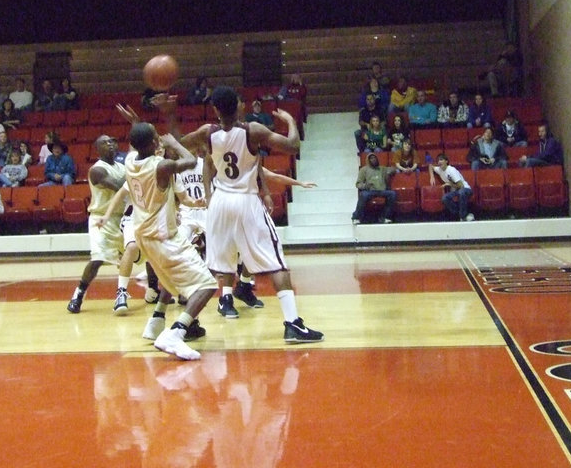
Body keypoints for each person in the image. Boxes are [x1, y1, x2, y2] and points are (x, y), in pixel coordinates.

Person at [179, 86, 324, 343]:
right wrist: (290, 120)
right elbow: (292, 146)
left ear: (215, 109)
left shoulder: (207, 132)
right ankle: (293, 323)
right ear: (239, 105)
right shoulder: (253, 131)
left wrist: (168, 113)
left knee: (217, 266)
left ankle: (186, 323)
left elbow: (180, 144)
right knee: (277, 262)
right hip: (245, 200)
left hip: (220, 202)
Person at [119, 117, 218, 360]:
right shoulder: (160, 166)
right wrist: (174, 141)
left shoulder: (130, 160)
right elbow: (190, 160)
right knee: (206, 284)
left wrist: (137, 125)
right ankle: (176, 332)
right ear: (154, 143)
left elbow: (138, 141)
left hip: (144, 233)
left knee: (174, 283)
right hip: (163, 236)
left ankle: (156, 322)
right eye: (156, 136)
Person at [67, 135, 147, 317]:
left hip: (124, 218)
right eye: (105, 142)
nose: (110, 144)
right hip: (101, 218)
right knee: (97, 259)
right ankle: (78, 294)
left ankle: (153, 292)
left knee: (144, 255)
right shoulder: (97, 170)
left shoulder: (121, 166)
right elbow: (121, 186)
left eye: (112, 141)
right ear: (97, 148)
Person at [352, 151, 397, 224]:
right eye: (371, 158)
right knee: (363, 195)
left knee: (392, 194)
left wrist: (390, 171)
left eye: (375, 158)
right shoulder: (364, 170)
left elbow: (393, 169)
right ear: (368, 160)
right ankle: (356, 217)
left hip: (382, 190)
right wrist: (365, 186)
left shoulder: (382, 169)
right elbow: (358, 184)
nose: (374, 160)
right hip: (370, 191)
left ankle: (385, 217)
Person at [429, 153, 474, 221]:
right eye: (438, 161)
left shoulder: (451, 170)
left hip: (465, 189)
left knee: (461, 192)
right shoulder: (439, 169)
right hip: (456, 191)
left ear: (446, 161)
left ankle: (463, 216)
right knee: (445, 198)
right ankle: (460, 215)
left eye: (441, 160)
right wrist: (432, 176)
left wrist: (450, 184)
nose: (439, 162)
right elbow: (430, 166)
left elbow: (461, 186)